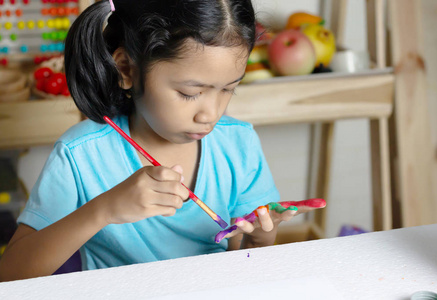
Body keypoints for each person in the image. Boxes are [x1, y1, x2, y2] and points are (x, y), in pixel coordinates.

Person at [0, 0, 321, 281]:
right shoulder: (80, 154)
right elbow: (11, 275)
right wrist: (104, 209)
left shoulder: (238, 144)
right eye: (189, 93)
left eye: (227, 89)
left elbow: (243, 260)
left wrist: (257, 244)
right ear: (127, 68)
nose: (210, 113)